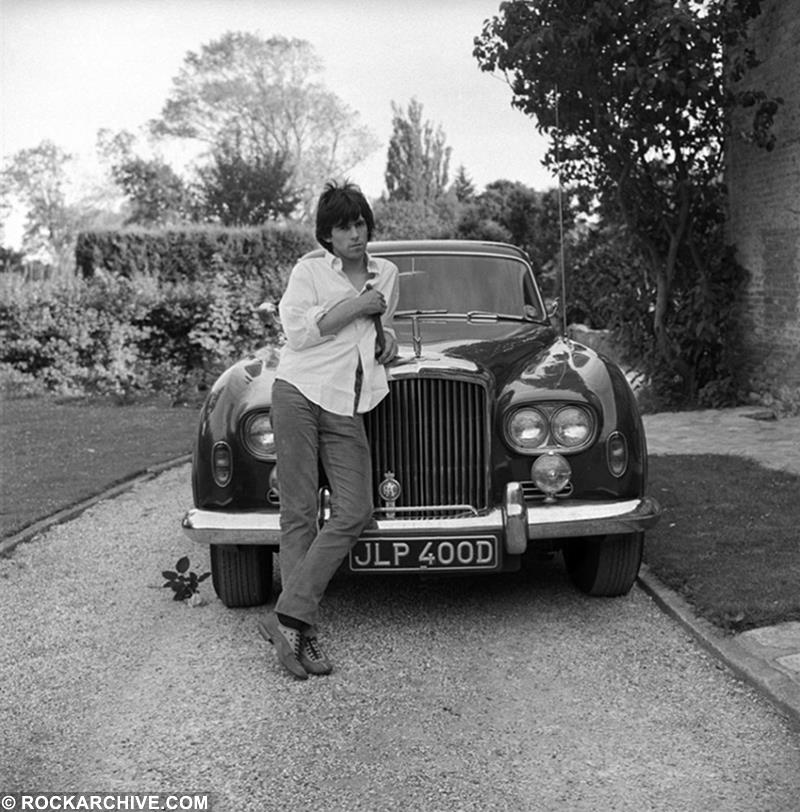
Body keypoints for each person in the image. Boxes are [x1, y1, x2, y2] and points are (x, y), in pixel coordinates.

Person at [258, 181, 399, 679]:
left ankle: (288, 614)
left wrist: (389, 341)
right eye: (344, 227)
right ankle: (304, 634)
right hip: (297, 391)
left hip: (346, 401)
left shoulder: (388, 274)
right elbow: (297, 333)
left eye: (360, 223)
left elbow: (377, 331)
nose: (355, 234)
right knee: (298, 513)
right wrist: (357, 307)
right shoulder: (309, 270)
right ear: (328, 235)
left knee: (356, 508)